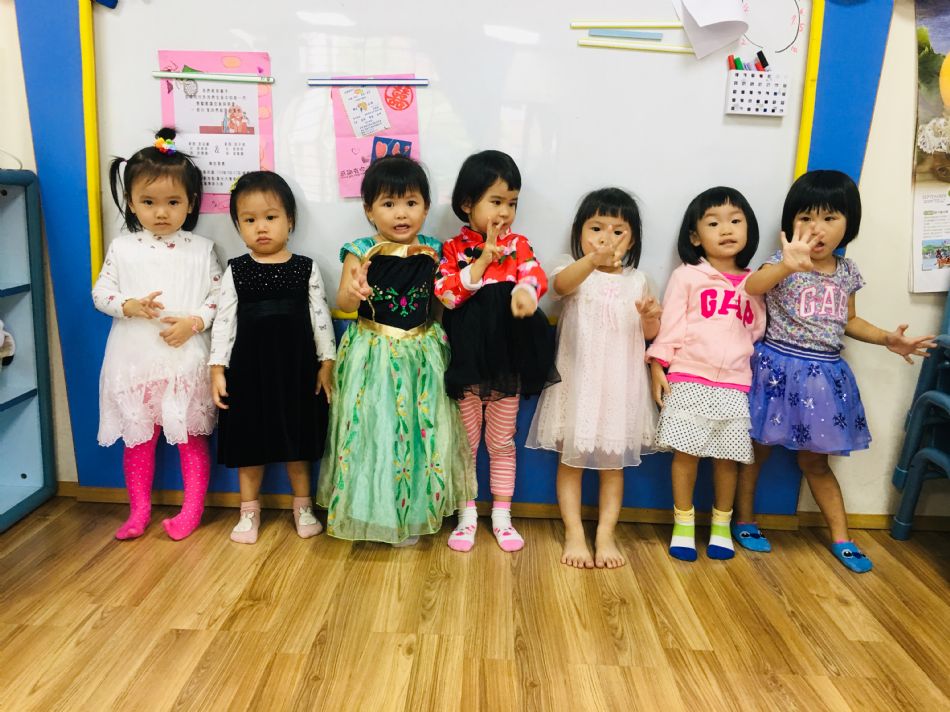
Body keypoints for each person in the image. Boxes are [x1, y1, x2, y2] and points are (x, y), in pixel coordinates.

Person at [736, 170, 936, 572]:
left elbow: (849, 320)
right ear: (791, 223)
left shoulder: (847, 271)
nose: (817, 228)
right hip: (777, 371)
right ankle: (743, 521)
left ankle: (842, 537)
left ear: (849, 224)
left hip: (822, 378)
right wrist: (787, 266)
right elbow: (752, 287)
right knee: (755, 454)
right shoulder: (781, 262)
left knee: (815, 463)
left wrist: (887, 338)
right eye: (806, 218)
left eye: (830, 218)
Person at [316, 155, 476, 545]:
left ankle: (414, 512)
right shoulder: (359, 250)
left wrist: (439, 340)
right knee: (375, 431)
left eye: (411, 202)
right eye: (388, 203)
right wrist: (355, 291)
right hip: (372, 353)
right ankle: (374, 513)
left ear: (426, 207)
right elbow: (344, 301)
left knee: (420, 432)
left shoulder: (434, 250)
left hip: (422, 352)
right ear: (369, 210)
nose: (401, 213)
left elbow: (437, 305)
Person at [94, 128, 221, 541]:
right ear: (131, 202)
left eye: (173, 202)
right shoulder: (122, 248)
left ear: (190, 202)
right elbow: (101, 293)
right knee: (139, 439)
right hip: (134, 358)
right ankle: (139, 512)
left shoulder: (201, 248)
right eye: (148, 202)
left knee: (190, 439)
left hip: (185, 359)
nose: (161, 212)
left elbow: (219, 297)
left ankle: (191, 511)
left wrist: (194, 322)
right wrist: (127, 305)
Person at [526, 188, 661, 568]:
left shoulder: (639, 280)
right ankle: (573, 532)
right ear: (580, 232)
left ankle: (605, 534)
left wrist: (650, 316)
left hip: (620, 389)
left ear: (632, 239)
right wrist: (592, 260)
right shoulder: (571, 269)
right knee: (570, 463)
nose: (606, 238)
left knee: (613, 467)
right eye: (596, 228)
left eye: (618, 231)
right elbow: (559, 287)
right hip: (578, 385)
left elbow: (650, 334)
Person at [435, 150, 558, 553]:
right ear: (467, 203)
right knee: (466, 443)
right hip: (467, 361)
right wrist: (482, 261)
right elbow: (447, 295)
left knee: (502, 442)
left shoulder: (517, 244)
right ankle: (466, 514)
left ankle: (503, 516)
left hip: (508, 360)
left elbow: (534, 274)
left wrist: (525, 293)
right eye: (496, 201)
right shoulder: (453, 248)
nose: (505, 212)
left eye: (512, 203)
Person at [210, 171, 336, 544]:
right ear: (238, 226)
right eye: (249, 220)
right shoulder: (236, 270)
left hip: (297, 370)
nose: (261, 227)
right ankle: (249, 511)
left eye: (270, 217)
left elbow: (321, 318)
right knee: (250, 445)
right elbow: (223, 322)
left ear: (289, 220)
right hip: (248, 373)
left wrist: (327, 364)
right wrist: (217, 368)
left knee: (298, 442)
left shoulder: (305, 267)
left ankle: (303, 506)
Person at [646, 187, 765, 562]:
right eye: (713, 223)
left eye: (735, 221)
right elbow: (670, 327)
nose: (726, 229)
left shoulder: (756, 283)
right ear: (695, 237)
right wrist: (657, 365)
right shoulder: (687, 276)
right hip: (688, 378)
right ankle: (683, 524)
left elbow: (756, 331)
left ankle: (720, 526)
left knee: (727, 459)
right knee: (685, 456)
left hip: (735, 383)